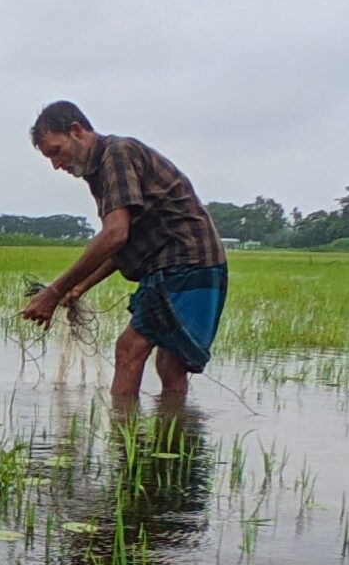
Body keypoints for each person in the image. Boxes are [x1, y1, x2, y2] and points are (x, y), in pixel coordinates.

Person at [18, 102, 228, 402]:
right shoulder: (98, 172)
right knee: (170, 363)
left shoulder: (116, 155)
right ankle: (169, 438)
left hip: (186, 261)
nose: (56, 164)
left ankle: (122, 441)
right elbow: (124, 242)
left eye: (55, 151)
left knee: (131, 349)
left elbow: (115, 235)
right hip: (179, 263)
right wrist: (79, 287)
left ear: (76, 132)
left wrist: (54, 291)